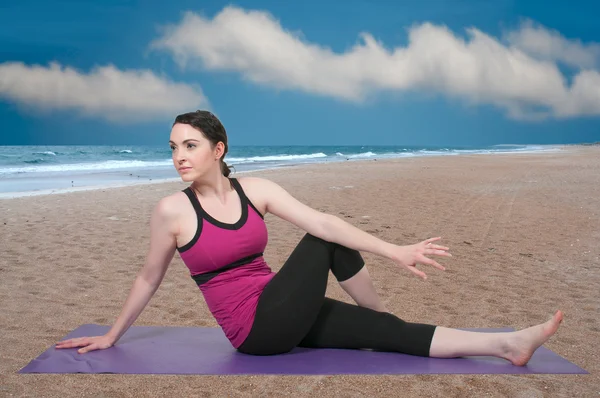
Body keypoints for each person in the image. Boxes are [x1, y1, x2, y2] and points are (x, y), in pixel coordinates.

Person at [56, 110, 563, 365]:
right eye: (172, 148)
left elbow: (322, 220)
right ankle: (381, 315)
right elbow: (149, 277)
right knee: (324, 240)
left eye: (190, 145)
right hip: (253, 330)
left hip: (283, 309)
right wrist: (111, 335)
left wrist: (394, 250)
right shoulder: (171, 211)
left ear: (218, 148)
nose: (179, 157)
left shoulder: (256, 190)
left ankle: (508, 344)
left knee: (390, 335)